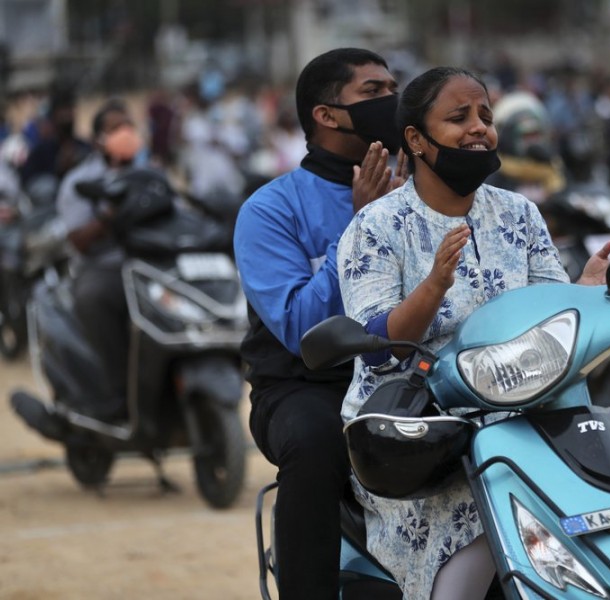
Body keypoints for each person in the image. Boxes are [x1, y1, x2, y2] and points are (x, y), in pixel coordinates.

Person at [336, 66, 610, 600]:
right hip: (420, 436)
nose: (479, 128)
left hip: (524, 418)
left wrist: (586, 291)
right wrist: (433, 286)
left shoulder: (520, 214)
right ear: (416, 140)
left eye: (485, 117)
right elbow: (378, 345)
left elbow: (552, 316)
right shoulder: (375, 225)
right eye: (459, 118)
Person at [232, 48, 406, 599]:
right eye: (373, 92)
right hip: (307, 386)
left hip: (413, 373)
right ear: (326, 115)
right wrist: (359, 224)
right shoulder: (271, 210)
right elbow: (298, 328)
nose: (392, 102)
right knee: (316, 444)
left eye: (393, 89)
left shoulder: (425, 187)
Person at [55, 98, 145, 421]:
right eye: (115, 128)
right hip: (104, 269)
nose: (125, 133)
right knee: (94, 298)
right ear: (98, 139)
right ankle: (119, 392)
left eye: (128, 126)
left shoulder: (149, 172)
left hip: (148, 267)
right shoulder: (79, 182)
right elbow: (78, 241)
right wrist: (109, 218)